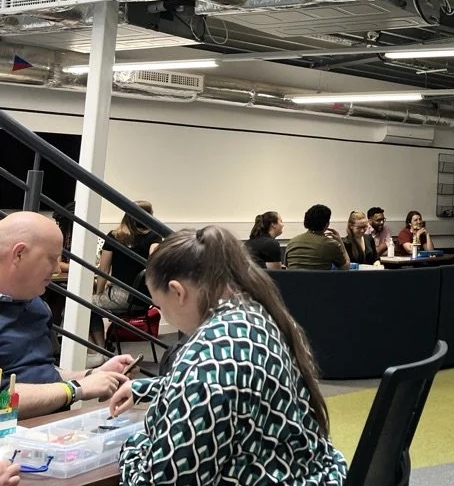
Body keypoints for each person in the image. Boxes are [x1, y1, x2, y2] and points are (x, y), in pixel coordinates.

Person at [110, 225, 347, 485]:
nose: (163, 314)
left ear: (178, 292)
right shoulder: (258, 314)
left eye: (160, 304)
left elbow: (167, 480)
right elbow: (235, 385)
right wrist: (151, 387)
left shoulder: (204, 360)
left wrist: (132, 449)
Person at [0, 212, 137, 420]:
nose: (56, 269)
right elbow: (2, 401)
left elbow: (42, 373)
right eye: (52, 258)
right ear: (19, 254)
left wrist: (93, 375)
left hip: (48, 433)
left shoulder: (36, 305)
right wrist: (74, 389)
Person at [90, 200, 162, 346]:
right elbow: (154, 259)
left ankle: (97, 348)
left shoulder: (114, 236)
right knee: (91, 304)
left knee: (83, 304)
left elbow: (103, 271)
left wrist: (99, 293)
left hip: (120, 297)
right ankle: (100, 347)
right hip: (143, 299)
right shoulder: (155, 236)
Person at [284, 205, 350, 271]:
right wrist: (340, 242)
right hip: (319, 281)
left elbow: (287, 267)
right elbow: (346, 268)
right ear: (327, 224)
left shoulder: (292, 242)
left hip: (293, 281)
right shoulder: (331, 244)